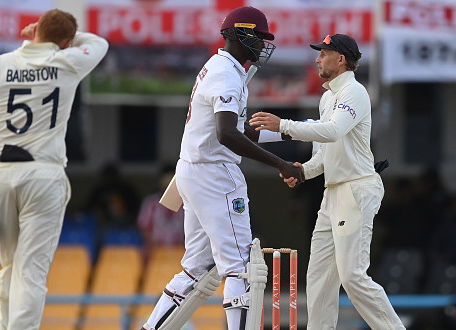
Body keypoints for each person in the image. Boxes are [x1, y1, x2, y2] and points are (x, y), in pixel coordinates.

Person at [0, 9, 108, 330]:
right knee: (31, 272)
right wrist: (55, 39)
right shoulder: (68, 61)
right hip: (43, 176)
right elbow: (98, 43)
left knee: (10, 265)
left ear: (35, 31)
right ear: (68, 42)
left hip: (0, 175)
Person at [141, 7, 304, 330]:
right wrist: (281, 164)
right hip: (216, 176)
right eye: (259, 37)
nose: (262, 44)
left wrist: (293, 130)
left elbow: (239, 130)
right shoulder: (227, 74)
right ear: (240, 35)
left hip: (192, 172)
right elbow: (227, 134)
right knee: (241, 267)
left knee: (195, 268)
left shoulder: (217, 67)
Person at [249, 33, 405, 329]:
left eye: (323, 53)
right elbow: (325, 155)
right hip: (331, 194)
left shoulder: (354, 92)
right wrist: (302, 171)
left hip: (356, 188)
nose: (318, 59)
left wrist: (283, 126)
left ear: (341, 59)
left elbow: (332, 131)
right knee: (319, 278)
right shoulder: (327, 97)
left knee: (353, 276)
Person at [137, 164, 185, 257]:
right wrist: (154, 250)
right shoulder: (151, 203)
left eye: (172, 180)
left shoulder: (186, 204)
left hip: (180, 253)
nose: (169, 183)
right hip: (155, 252)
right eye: (166, 179)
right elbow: (144, 228)